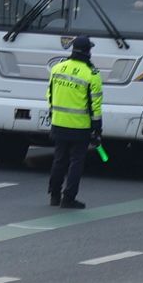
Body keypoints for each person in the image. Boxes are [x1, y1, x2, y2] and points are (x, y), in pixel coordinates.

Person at [47, 36, 103, 210]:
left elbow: (50, 95)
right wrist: (97, 129)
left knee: (59, 160)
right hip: (80, 126)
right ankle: (68, 198)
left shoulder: (57, 68)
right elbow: (95, 105)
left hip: (58, 123)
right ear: (88, 51)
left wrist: (53, 115)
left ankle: (54, 195)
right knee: (76, 162)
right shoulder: (92, 74)